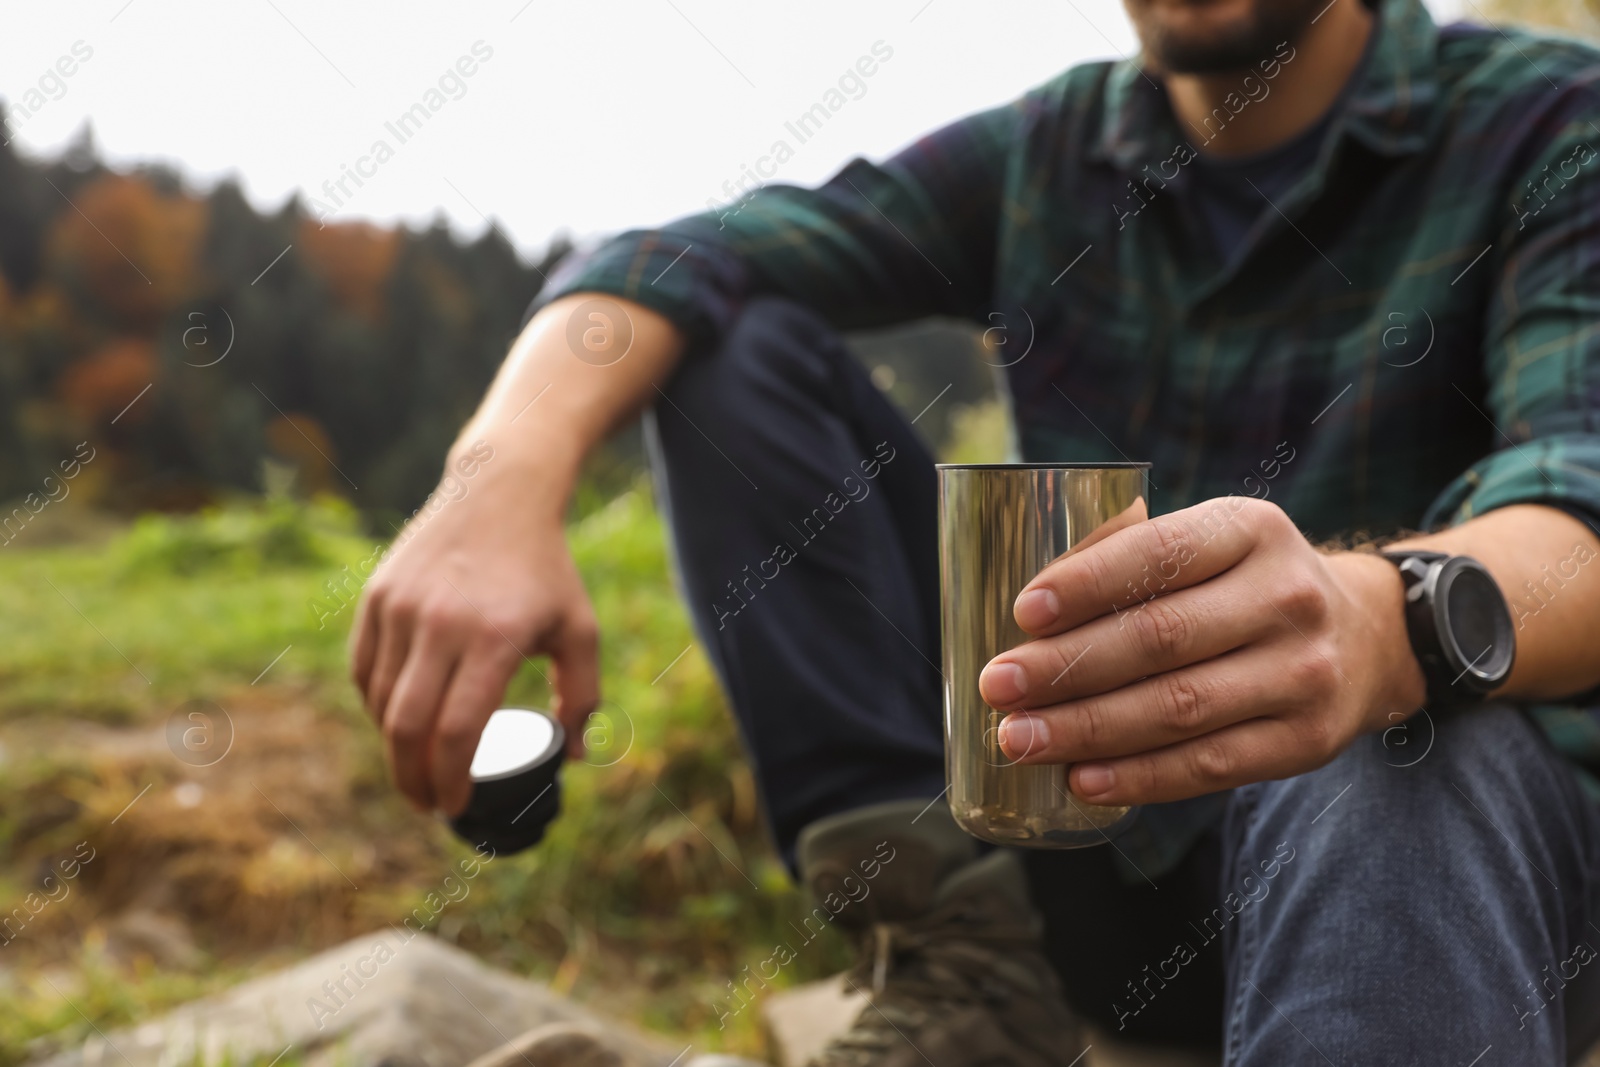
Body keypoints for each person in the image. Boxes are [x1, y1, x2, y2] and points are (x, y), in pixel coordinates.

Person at [350, 0, 1600, 1061]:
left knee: (1391, 761)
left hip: (1451, 883)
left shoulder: (1550, 124)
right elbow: (676, 259)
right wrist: (492, 481)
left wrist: (1387, 625)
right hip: (1085, 851)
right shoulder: (1053, 151)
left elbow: (1586, 493)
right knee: (722, 348)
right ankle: (966, 975)